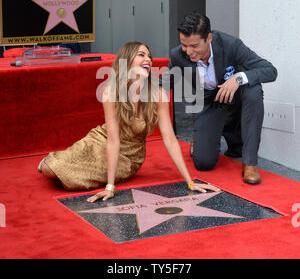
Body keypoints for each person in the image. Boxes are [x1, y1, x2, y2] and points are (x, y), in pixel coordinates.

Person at [38, 41, 220, 202]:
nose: (147, 59)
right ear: (126, 60)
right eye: (141, 55)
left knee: (70, 181)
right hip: (101, 140)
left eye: (149, 55)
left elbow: (170, 140)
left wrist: (190, 182)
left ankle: (63, 163)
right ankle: (54, 160)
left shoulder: (158, 94)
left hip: (130, 158)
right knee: (49, 169)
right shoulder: (112, 92)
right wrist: (110, 186)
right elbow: (112, 139)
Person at [161, 12, 278, 185]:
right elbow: (164, 84)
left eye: (194, 45)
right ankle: (203, 132)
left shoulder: (230, 45)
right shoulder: (178, 55)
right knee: (203, 163)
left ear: (208, 38)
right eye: (184, 45)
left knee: (253, 89)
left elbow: (270, 70)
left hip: (235, 98)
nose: (189, 51)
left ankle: (250, 164)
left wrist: (238, 78)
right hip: (210, 102)